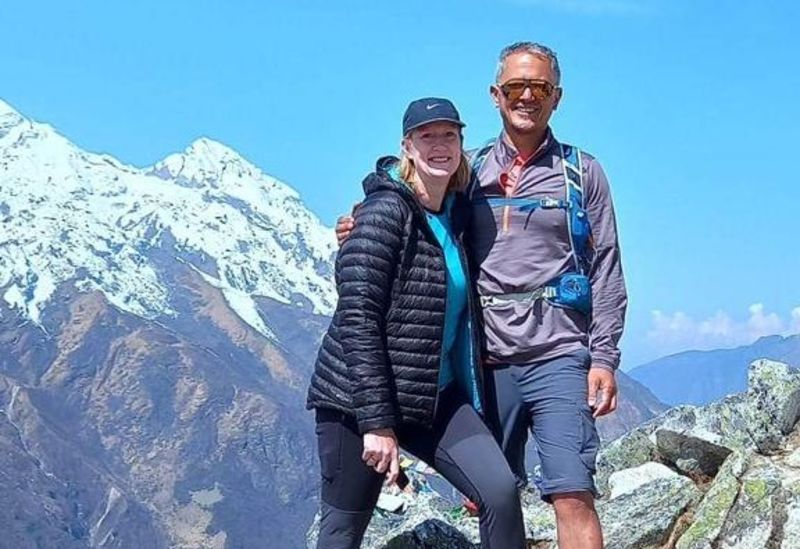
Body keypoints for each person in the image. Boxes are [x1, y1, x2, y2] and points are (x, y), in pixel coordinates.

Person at [336, 42, 627, 549]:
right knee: (490, 494)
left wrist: (603, 357)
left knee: (572, 491)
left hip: (559, 355)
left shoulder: (583, 173)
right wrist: (361, 222)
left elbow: (606, 266)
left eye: (540, 87)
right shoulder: (466, 172)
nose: (528, 96)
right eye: (516, 86)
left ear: (557, 97)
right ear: (496, 95)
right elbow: (410, 199)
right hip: (484, 361)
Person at [306, 97, 526, 549]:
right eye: (428, 136)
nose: (440, 145)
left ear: (463, 144)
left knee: (499, 491)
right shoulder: (385, 213)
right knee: (343, 531)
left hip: (433, 395)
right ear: (407, 146)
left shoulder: (457, 211)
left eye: (450, 135)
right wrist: (377, 423)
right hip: (357, 401)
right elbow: (358, 315)